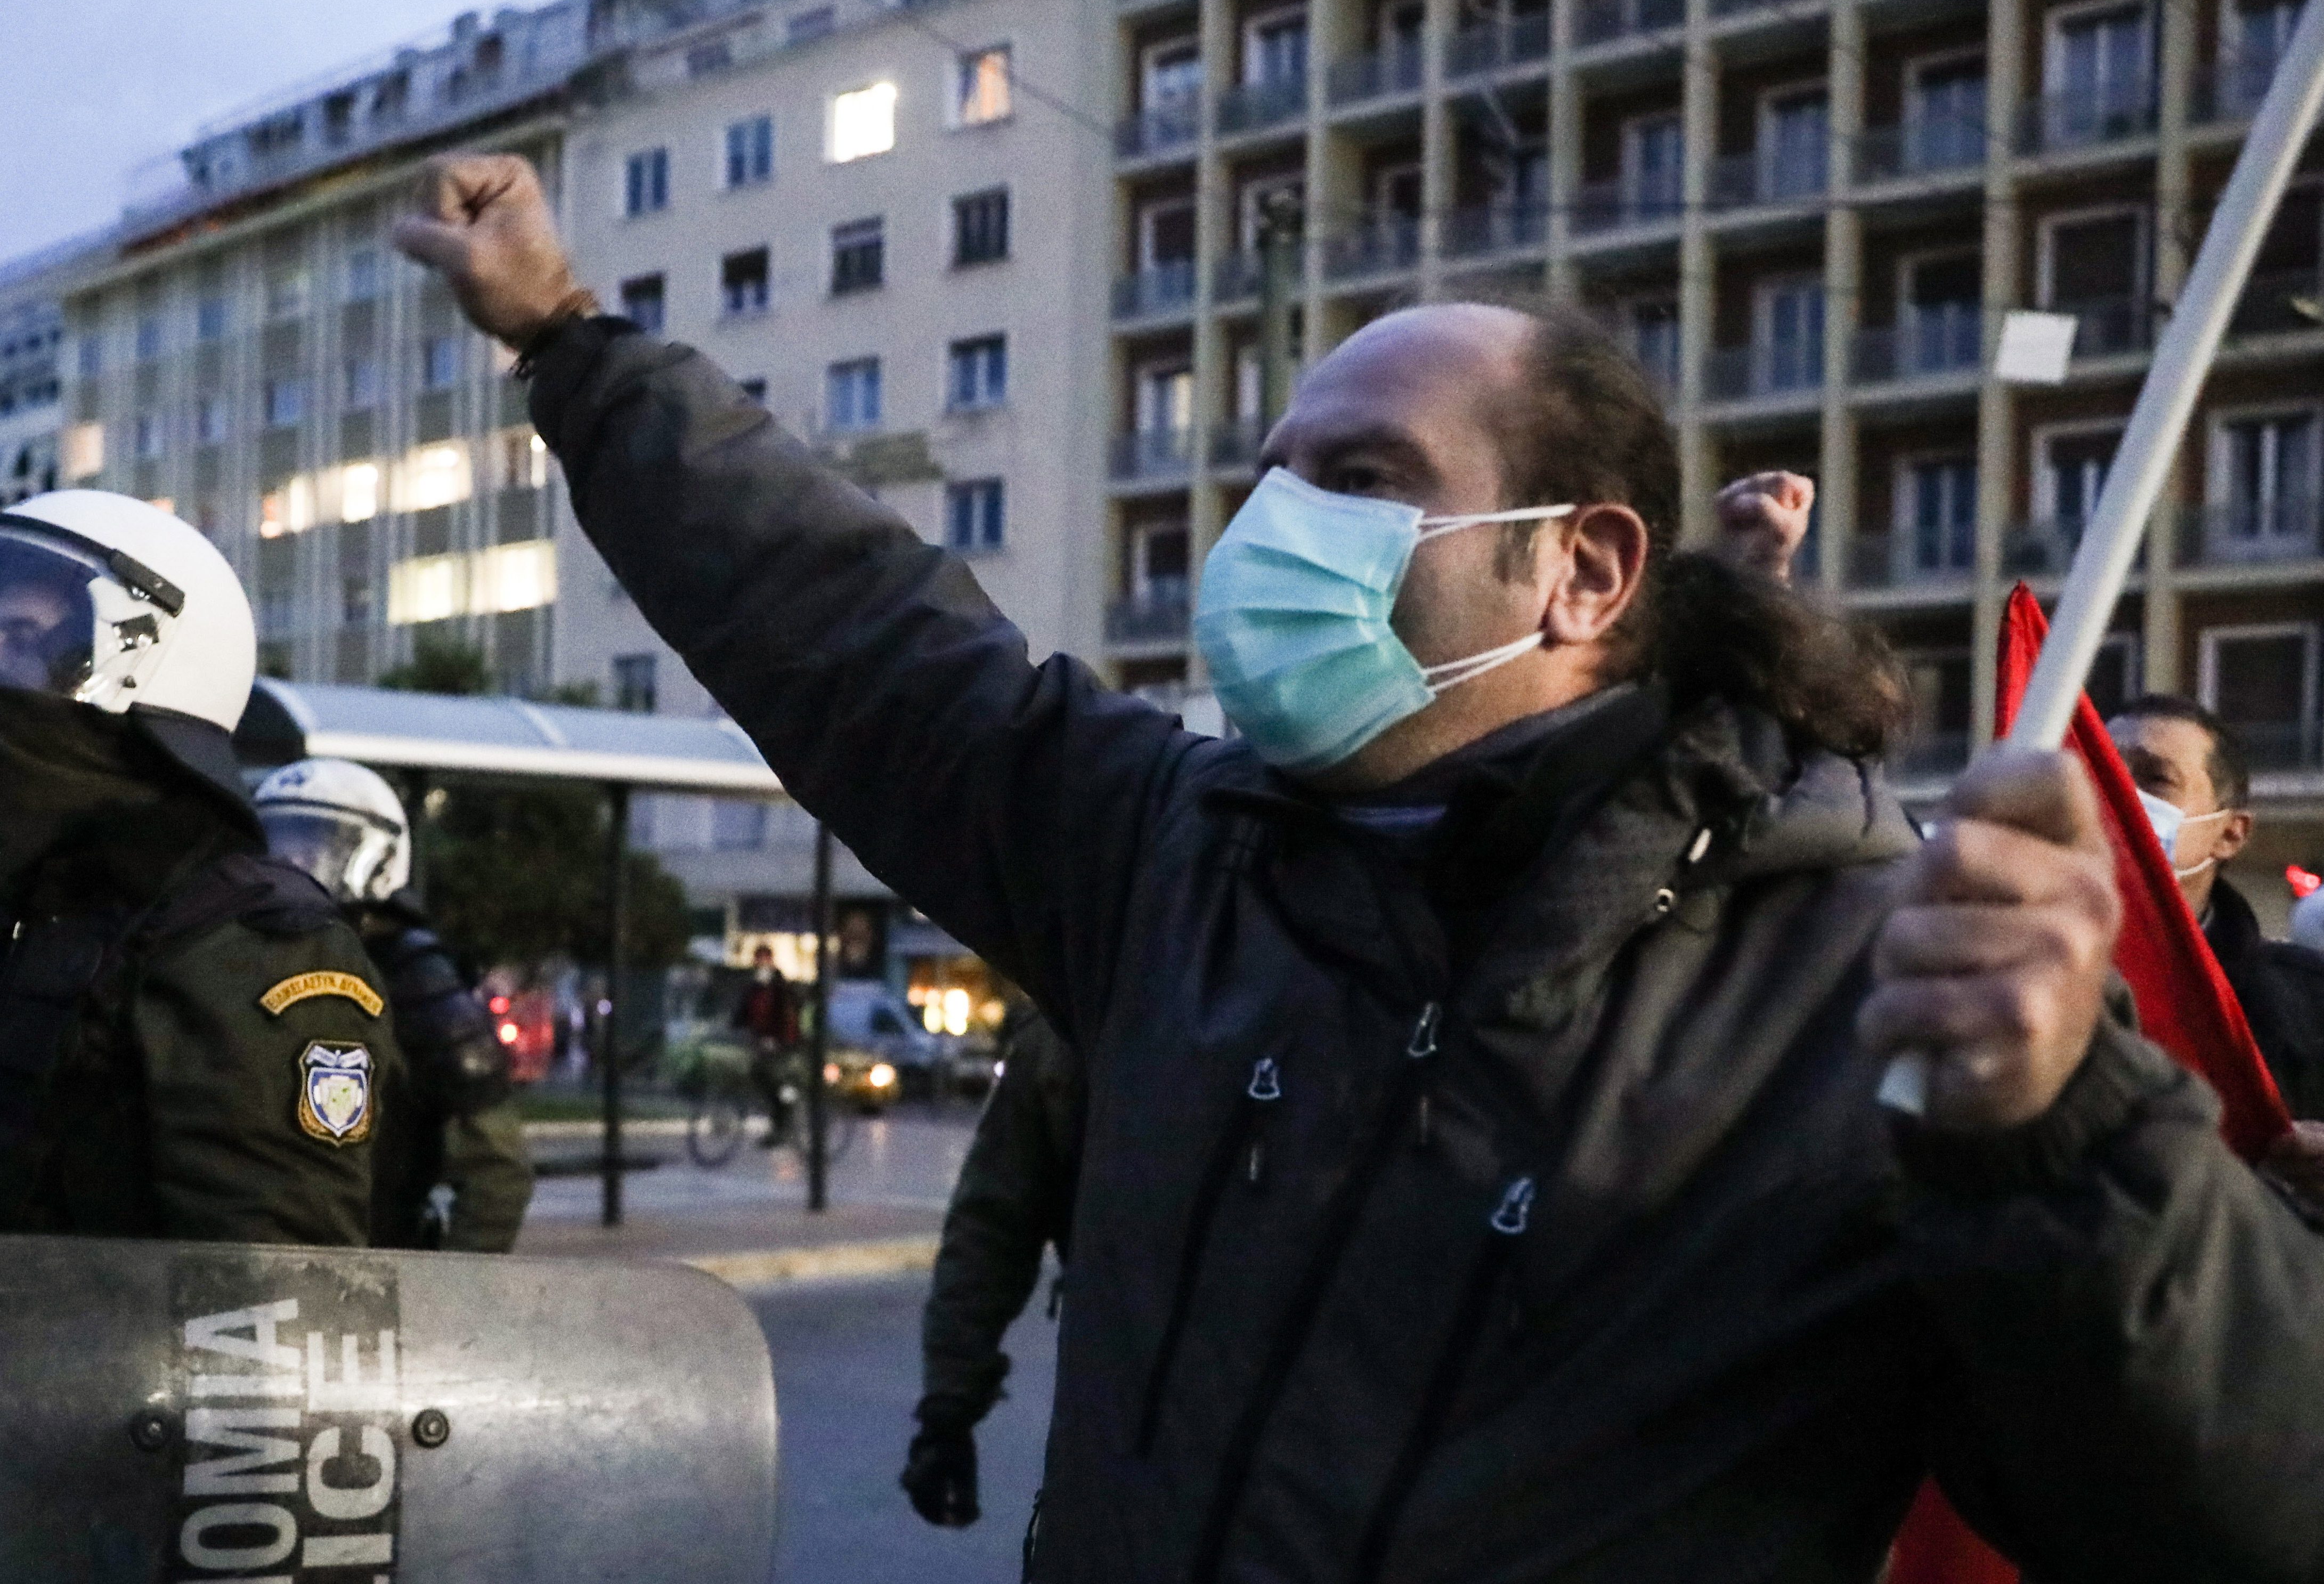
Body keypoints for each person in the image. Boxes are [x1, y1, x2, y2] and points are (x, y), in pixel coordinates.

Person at [401, 155, 2324, 1583]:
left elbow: (2236, 1495)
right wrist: (573, 339)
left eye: (1362, 477)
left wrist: (2063, 1138)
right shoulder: (1168, 850)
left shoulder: (1861, 985)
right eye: (1273, 472)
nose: (1271, 528)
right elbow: (855, 628)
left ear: (1577, 569)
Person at [898, 482, 1814, 1531]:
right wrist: (949, 1397)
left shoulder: (1478, 940)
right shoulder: (1129, 956)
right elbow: (999, 1208)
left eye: (1362, 473)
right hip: (1148, 1491)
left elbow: (1663, 830)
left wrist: (1746, 589)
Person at [0, 490, 402, 1245]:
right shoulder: (42, 898)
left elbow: (278, 1300)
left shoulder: (250, 942)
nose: (4, 668)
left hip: (115, 1364)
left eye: (24, 638)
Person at [254, 756, 534, 1250]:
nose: (293, 866)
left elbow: (498, 1168)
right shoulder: (241, 956)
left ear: (379, 855)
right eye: (279, 844)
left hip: (373, 1275)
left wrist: (442, 1299)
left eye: (316, 847)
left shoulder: (414, 978)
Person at [2106, 694, 2324, 1192]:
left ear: (2230, 833)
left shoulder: (2310, 1002)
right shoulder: (2010, 978)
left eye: (2155, 778)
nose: (2116, 793)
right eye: (2102, 770)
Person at [903, 1003, 1084, 1527]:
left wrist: (948, 1407)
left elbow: (992, 1220)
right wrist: (947, 1409)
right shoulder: (1075, 1019)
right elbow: (994, 1222)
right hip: (1119, 1408)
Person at [732, 943, 803, 1144]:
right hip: (764, 1043)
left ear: (771, 961)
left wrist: (775, 1039)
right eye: (758, 959)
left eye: (765, 959)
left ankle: (785, 1120)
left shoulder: (780, 986)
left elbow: (784, 1015)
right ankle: (779, 1117)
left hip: (784, 1042)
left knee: (777, 1082)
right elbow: (743, 1012)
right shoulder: (754, 987)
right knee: (759, 1075)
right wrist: (733, 1027)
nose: (761, 964)